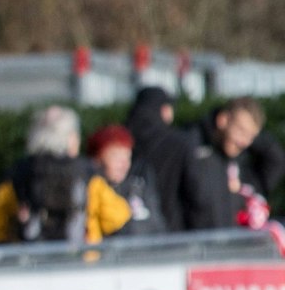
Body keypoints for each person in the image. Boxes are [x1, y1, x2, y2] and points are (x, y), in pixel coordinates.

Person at [0, 107, 131, 244]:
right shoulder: (87, 173)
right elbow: (117, 219)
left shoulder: (19, 173)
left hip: (31, 263)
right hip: (82, 263)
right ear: (71, 139)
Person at [174, 97, 267, 230]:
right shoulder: (189, 145)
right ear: (222, 120)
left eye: (251, 137)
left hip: (227, 240)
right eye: (241, 131)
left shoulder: (236, 156)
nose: (244, 142)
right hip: (191, 241)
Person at [125, 86, 197, 231]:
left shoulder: (124, 140)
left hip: (134, 228)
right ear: (164, 110)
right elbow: (195, 192)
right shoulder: (180, 143)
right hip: (174, 228)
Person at [86, 124, 167, 235]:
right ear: (97, 159)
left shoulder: (138, 188)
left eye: (127, 157)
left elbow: (157, 227)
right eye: (116, 156)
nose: (123, 164)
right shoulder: (87, 191)